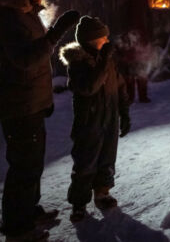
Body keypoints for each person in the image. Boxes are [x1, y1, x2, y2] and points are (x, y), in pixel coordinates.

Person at [0, 0, 80, 242]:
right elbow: (27, 61)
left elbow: (34, 60)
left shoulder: (25, 15)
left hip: (30, 102)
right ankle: (18, 228)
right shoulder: (12, 20)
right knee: (23, 166)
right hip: (18, 106)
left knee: (33, 163)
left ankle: (29, 211)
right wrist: (56, 33)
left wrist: (44, 100)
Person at [59, 16, 131, 222]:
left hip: (109, 117)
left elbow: (119, 85)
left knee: (107, 158)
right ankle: (79, 203)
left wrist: (124, 113)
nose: (107, 41)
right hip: (89, 122)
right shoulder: (78, 62)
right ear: (92, 40)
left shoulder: (105, 58)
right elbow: (90, 87)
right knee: (85, 163)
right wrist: (105, 60)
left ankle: (102, 192)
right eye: (103, 37)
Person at [117, 0, 153, 103]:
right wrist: (123, 41)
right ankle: (130, 96)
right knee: (129, 71)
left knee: (142, 70)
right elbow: (120, 25)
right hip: (128, 44)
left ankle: (143, 95)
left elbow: (150, 23)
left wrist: (149, 38)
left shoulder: (144, 6)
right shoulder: (125, 7)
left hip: (142, 42)